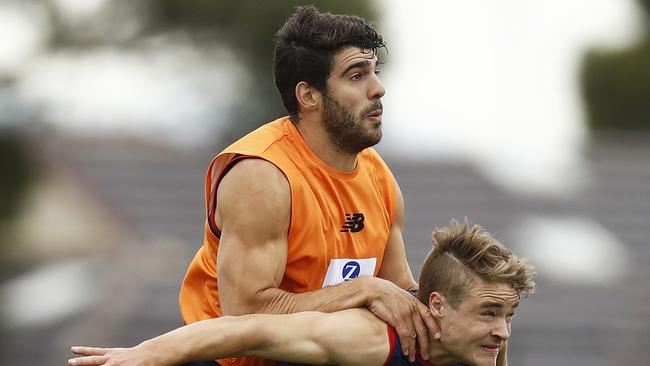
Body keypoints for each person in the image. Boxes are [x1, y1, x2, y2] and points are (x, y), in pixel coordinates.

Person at [179, 5, 442, 366]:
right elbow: (244, 314)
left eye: (375, 72)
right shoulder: (261, 175)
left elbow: (397, 295)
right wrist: (363, 290)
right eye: (356, 75)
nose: (378, 89)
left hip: (324, 354)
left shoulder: (378, 175)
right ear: (309, 96)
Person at [69, 221, 536, 366]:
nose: (501, 330)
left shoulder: (485, 346)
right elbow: (243, 327)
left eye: (509, 314)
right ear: (437, 305)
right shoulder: (369, 339)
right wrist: (142, 357)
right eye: (490, 312)